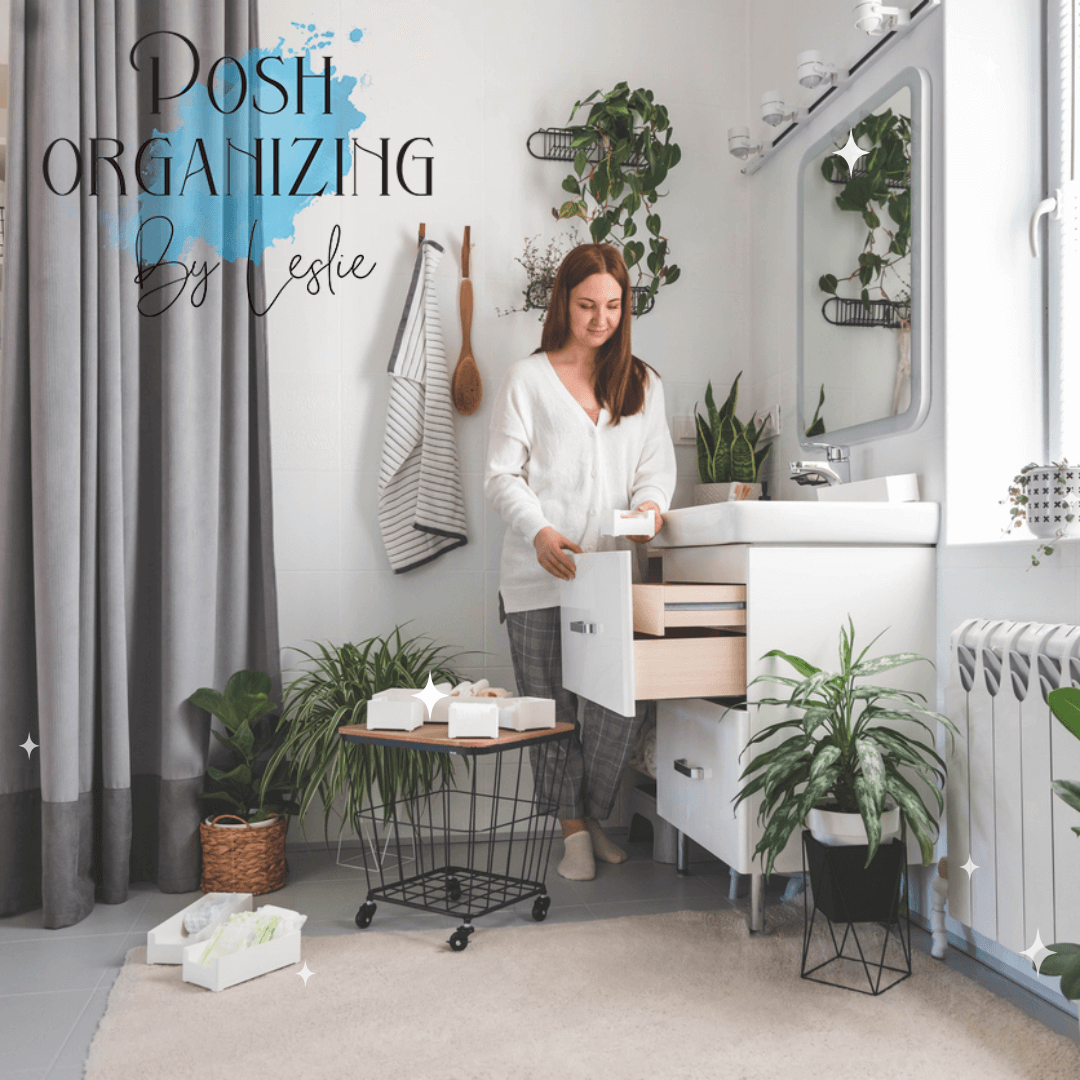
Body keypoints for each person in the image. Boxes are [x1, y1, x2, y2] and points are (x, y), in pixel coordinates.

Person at [484, 243, 676, 880]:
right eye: (588, 305)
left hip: (611, 575)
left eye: (614, 306)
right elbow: (501, 475)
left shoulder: (643, 384)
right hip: (538, 574)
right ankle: (573, 833)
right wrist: (539, 531)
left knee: (618, 709)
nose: (600, 319)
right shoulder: (528, 380)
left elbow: (655, 471)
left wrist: (650, 506)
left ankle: (592, 816)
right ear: (563, 302)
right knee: (551, 710)